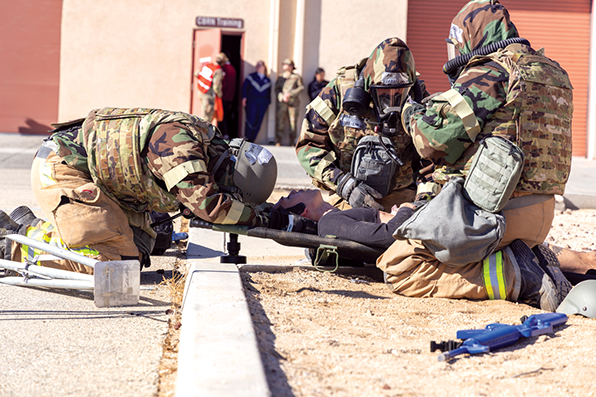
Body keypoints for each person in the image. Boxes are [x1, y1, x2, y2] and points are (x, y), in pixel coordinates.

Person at [377, 0, 575, 312]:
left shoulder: (491, 72)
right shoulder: (553, 71)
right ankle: (531, 260)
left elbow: (431, 141)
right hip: (540, 211)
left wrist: (411, 111)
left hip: (498, 213)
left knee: (401, 266)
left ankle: (519, 276)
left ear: (470, 37)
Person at [0, 107, 277, 274]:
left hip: (95, 176)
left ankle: (30, 226)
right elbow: (210, 207)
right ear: (233, 178)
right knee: (116, 262)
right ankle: (11, 246)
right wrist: (267, 219)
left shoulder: (206, 143)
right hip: (62, 167)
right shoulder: (181, 145)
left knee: (144, 246)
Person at [296, 37, 428, 212]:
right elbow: (309, 144)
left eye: (399, 90)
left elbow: (432, 160)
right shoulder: (339, 92)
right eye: (383, 90)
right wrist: (343, 183)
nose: (391, 96)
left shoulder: (419, 98)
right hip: (346, 194)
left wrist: (423, 200)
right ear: (368, 84)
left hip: (401, 197)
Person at [275, 58, 304, 146]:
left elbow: (301, 88)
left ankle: (292, 141)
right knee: (280, 121)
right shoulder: (281, 77)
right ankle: (278, 140)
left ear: (291, 66)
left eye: (286, 64)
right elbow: (276, 89)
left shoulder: (297, 77)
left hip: (293, 103)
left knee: (293, 122)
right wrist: (282, 96)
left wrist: (290, 94)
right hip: (282, 103)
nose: (285, 66)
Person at [241, 60, 272, 142]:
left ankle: (252, 140)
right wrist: (244, 97)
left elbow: (269, 93)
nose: (258, 66)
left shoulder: (267, 80)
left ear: (264, 67)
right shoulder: (251, 77)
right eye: (257, 65)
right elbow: (244, 88)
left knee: (258, 122)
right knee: (250, 120)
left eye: (260, 65)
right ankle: (247, 139)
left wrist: (268, 103)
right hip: (252, 102)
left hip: (262, 103)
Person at [195, 57, 224, 123]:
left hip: (201, 91)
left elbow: (196, 73)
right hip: (208, 94)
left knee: (205, 112)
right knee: (207, 116)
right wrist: (219, 95)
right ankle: (204, 132)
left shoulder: (207, 65)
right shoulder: (218, 70)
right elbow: (217, 87)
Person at [217, 52, 237, 139]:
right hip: (230, 97)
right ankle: (226, 134)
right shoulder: (233, 68)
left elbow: (222, 83)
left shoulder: (224, 69)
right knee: (226, 116)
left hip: (223, 96)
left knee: (221, 116)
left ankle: (223, 134)